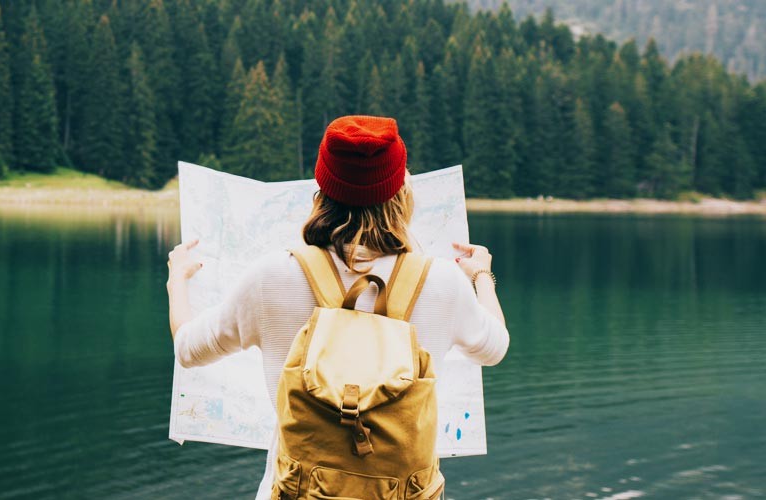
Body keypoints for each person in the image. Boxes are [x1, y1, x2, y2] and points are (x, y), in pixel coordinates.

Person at [166, 115, 510, 498]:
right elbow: (495, 348)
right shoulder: (442, 283)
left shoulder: (269, 277)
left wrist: (176, 279)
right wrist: (482, 276)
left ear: (321, 189)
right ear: (400, 191)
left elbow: (187, 349)